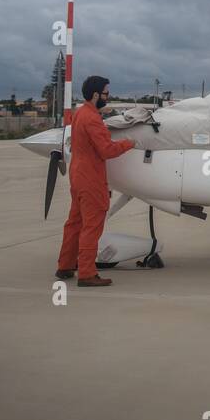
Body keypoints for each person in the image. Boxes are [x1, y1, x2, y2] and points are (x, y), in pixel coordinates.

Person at [56, 75, 136, 287]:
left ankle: (65, 266)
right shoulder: (93, 119)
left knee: (74, 223)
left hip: (77, 176)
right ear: (95, 94)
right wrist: (129, 144)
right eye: (106, 93)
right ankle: (87, 273)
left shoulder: (80, 113)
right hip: (91, 179)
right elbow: (106, 150)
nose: (107, 97)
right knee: (92, 226)